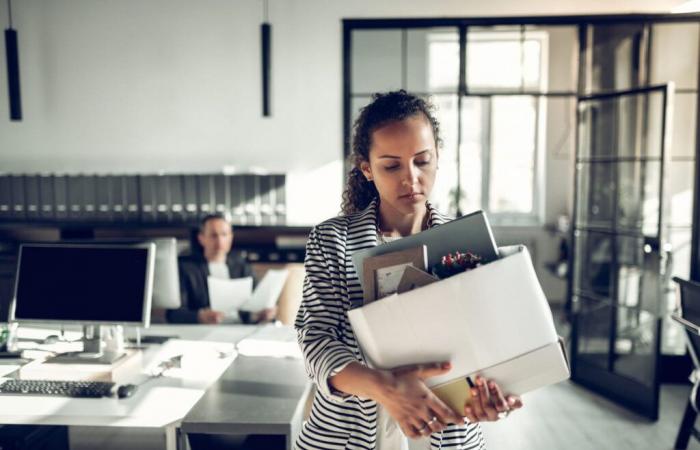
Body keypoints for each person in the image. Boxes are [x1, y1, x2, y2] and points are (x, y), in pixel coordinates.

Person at [294, 90, 523, 450]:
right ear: (366, 168)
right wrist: (385, 388)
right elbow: (316, 339)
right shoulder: (331, 240)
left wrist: (490, 395)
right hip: (346, 436)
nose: (411, 177)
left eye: (422, 161)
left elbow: (488, 346)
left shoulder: (467, 239)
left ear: (437, 158)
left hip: (448, 435)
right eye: (391, 165)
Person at [166, 213, 277, 324]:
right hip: (204, 331)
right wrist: (199, 317)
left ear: (230, 238)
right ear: (201, 238)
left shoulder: (242, 267)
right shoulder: (186, 268)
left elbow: (253, 309)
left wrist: (262, 314)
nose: (219, 241)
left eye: (224, 235)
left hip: (240, 329)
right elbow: (173, 314)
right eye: (214, 235)